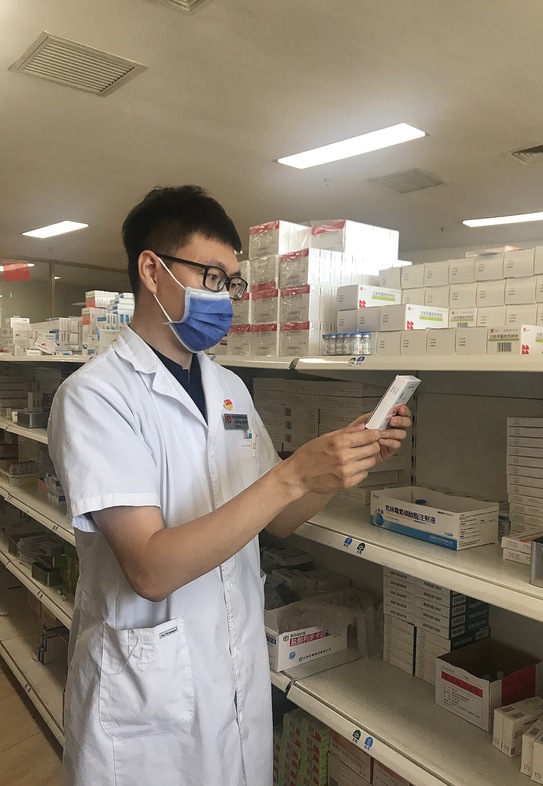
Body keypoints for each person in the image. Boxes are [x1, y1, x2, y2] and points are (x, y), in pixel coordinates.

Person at [48, 185, 412, 786]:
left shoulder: (229, 388)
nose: (224, 298)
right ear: (152, 270)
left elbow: (280, 516)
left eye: (231, 283)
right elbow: (150, 568)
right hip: (148, 695)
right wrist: (293, 473)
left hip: (233, 669)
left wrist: (340, 463)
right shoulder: (95, 396)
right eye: (211, 277)